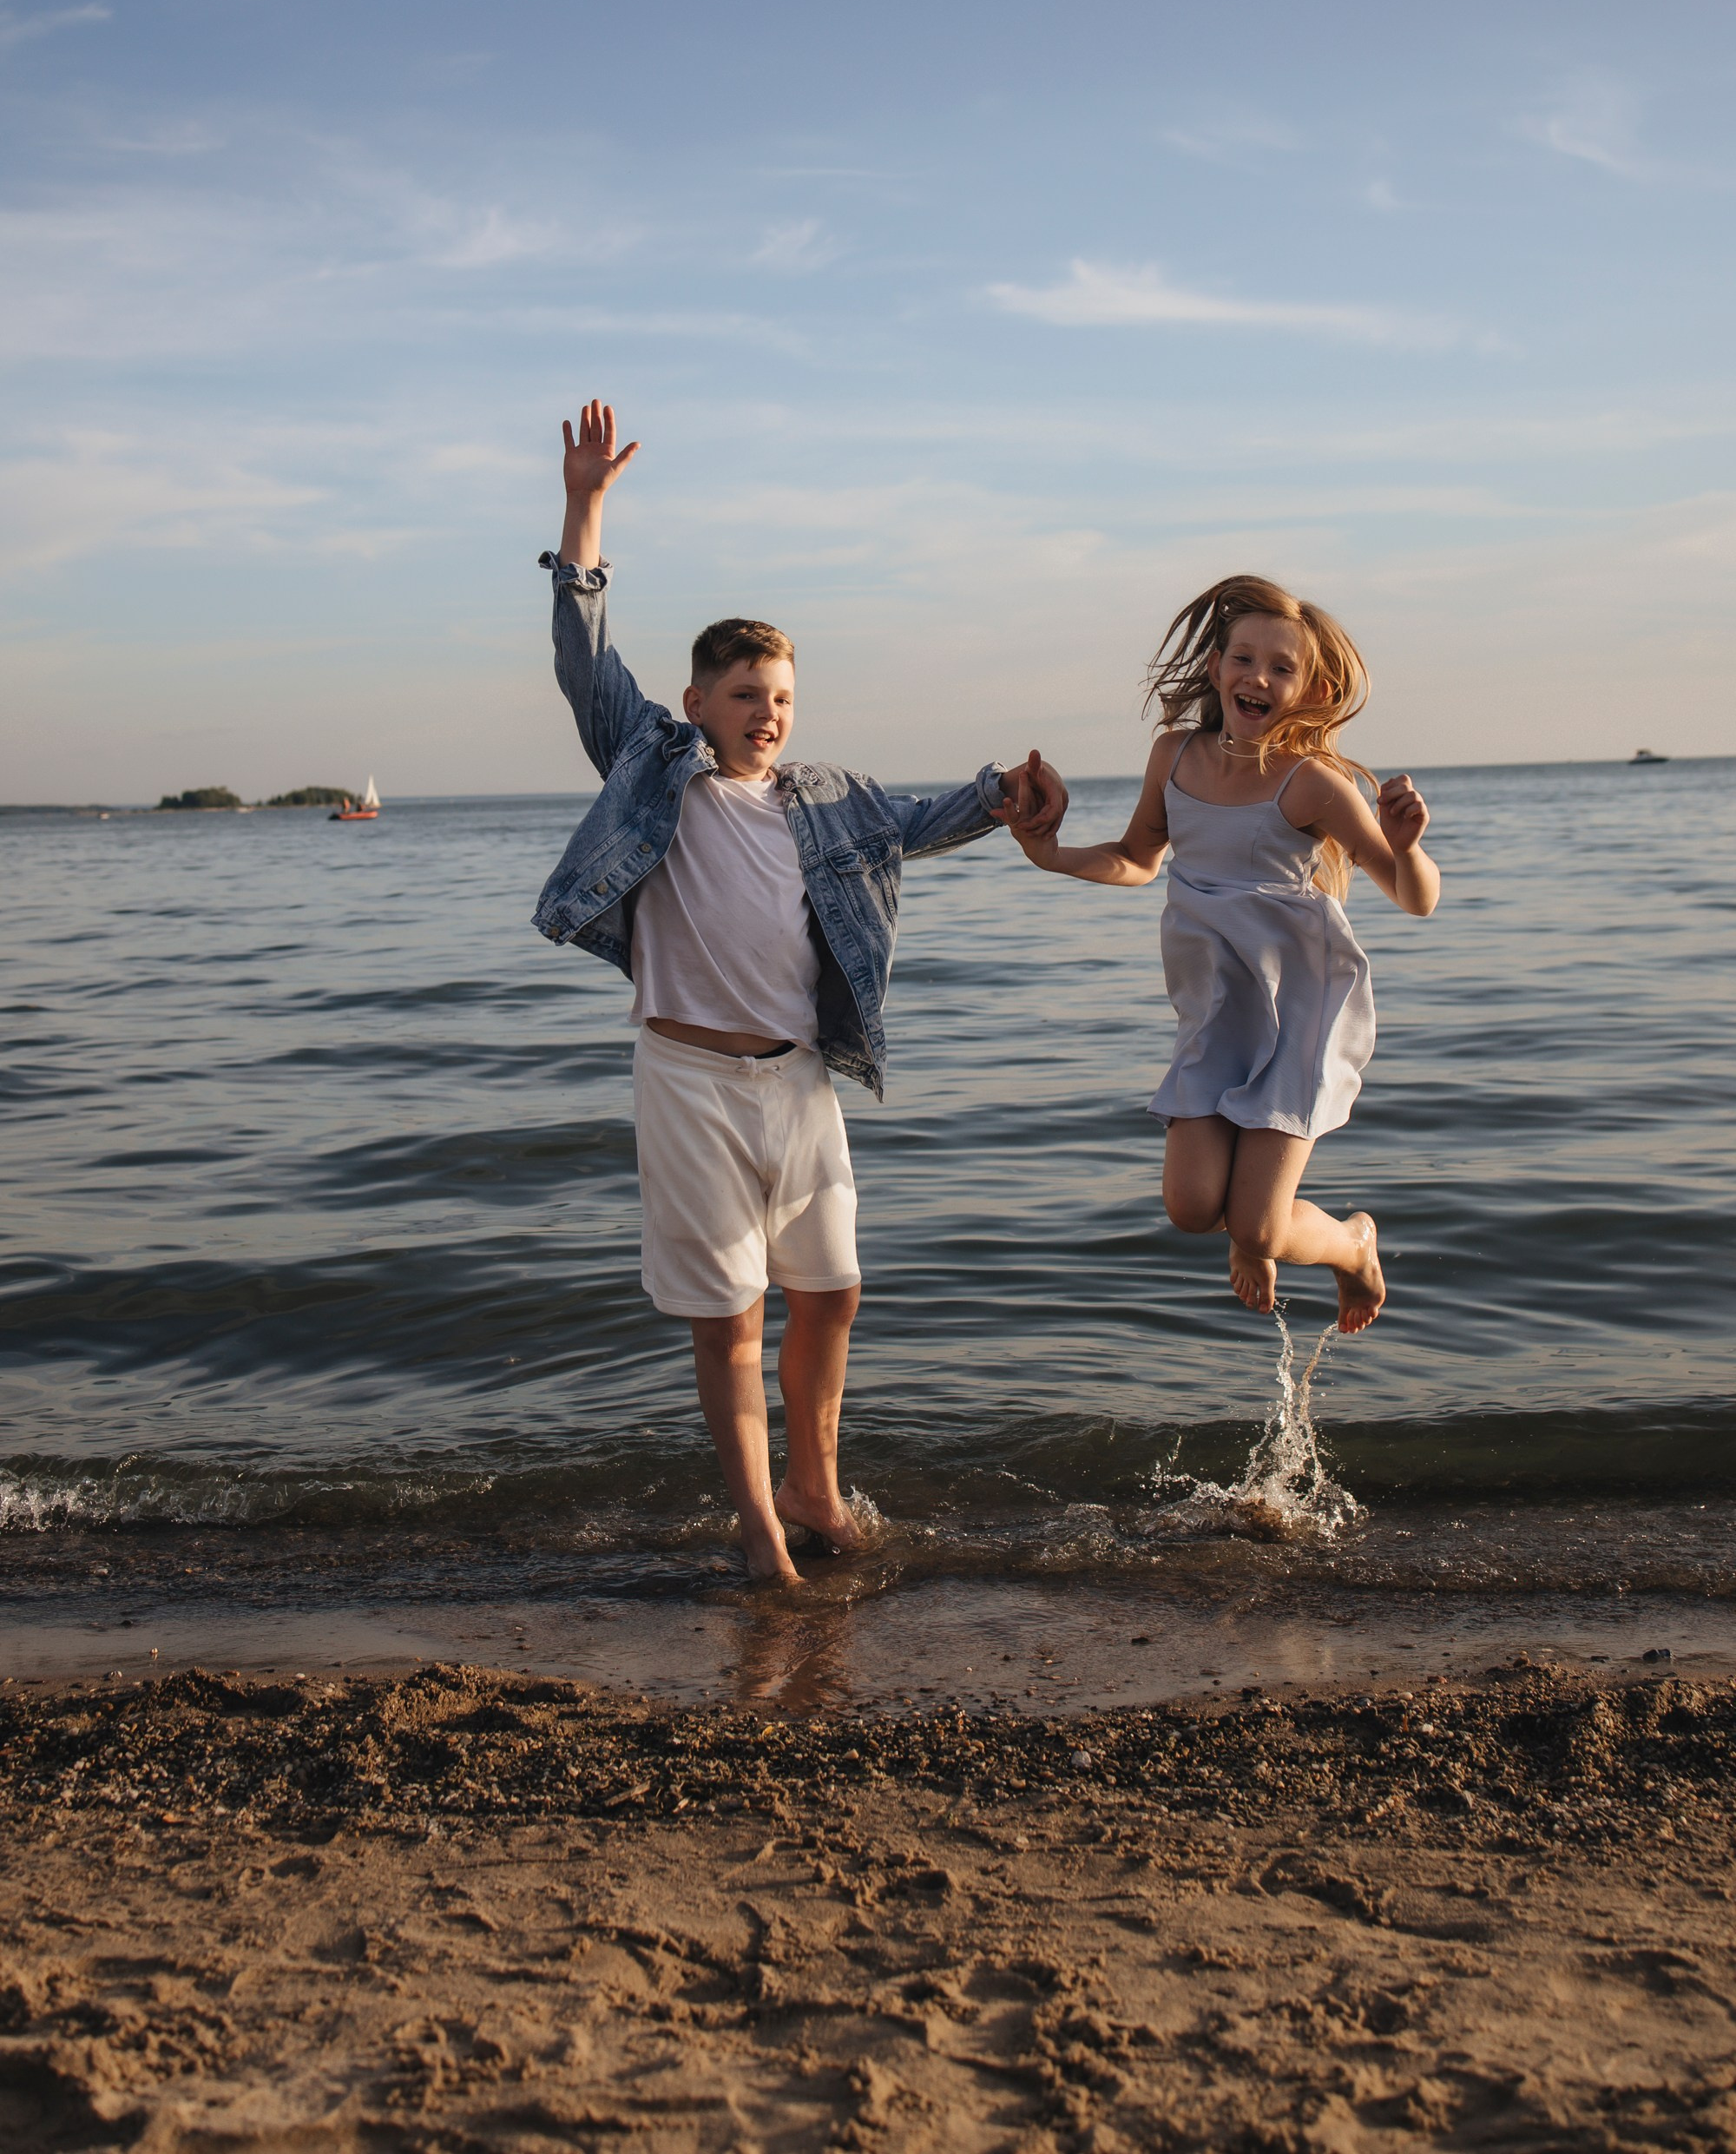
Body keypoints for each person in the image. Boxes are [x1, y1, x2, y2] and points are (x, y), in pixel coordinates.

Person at [536, 402, 1068, 1584]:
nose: (767, 713)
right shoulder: (651, 764)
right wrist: (587, 507)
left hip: (799, 1080)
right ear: (696, 706)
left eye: (779, 696)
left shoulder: (825, 798)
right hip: (688, 1080)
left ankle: (814, 1482)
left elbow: (935, 821)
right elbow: (584, 659)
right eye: (743, 695)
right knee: (728, 1325)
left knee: (830, 1293)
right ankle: (762, 1530)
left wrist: (1012, 790)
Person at [1006, 574, 1439, 1334]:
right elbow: (1138, 858)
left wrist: (1407, 850)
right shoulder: (1174, 757)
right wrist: (1050, 856)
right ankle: (1248, 1233)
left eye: (1281, 667)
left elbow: (1416, 897)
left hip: (1300, 1011)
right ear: (1216, 669)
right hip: (1214, 1010)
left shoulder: (1314, 785)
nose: (1259, 677)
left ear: (1310, 689)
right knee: (1190, 1207)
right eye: (1244, 659)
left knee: (1260, 1228)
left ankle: (1352, 1245)